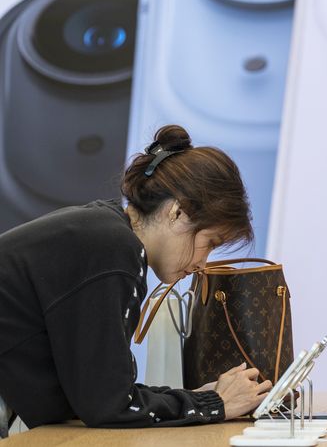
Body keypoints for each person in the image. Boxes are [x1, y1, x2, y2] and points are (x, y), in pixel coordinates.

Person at [0, 124, 271, 434]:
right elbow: (109, 405)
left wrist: (199, 399)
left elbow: (102, 395)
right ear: (177, 212)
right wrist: (212, 404)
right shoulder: (115, 250)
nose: (202, 264)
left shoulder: (105, 233)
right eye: (209, 243)